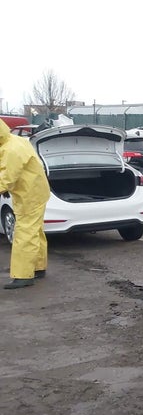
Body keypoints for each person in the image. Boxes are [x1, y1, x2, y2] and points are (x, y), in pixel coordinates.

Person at [0, 119, 50, 289]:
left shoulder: (11, 149)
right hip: (33, 190)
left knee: (24, 233)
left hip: (30, 194)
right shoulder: (15, 140)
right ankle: (37, 266)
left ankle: (23, 275)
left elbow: (5, 177)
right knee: (35, 230)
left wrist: (5, 186)